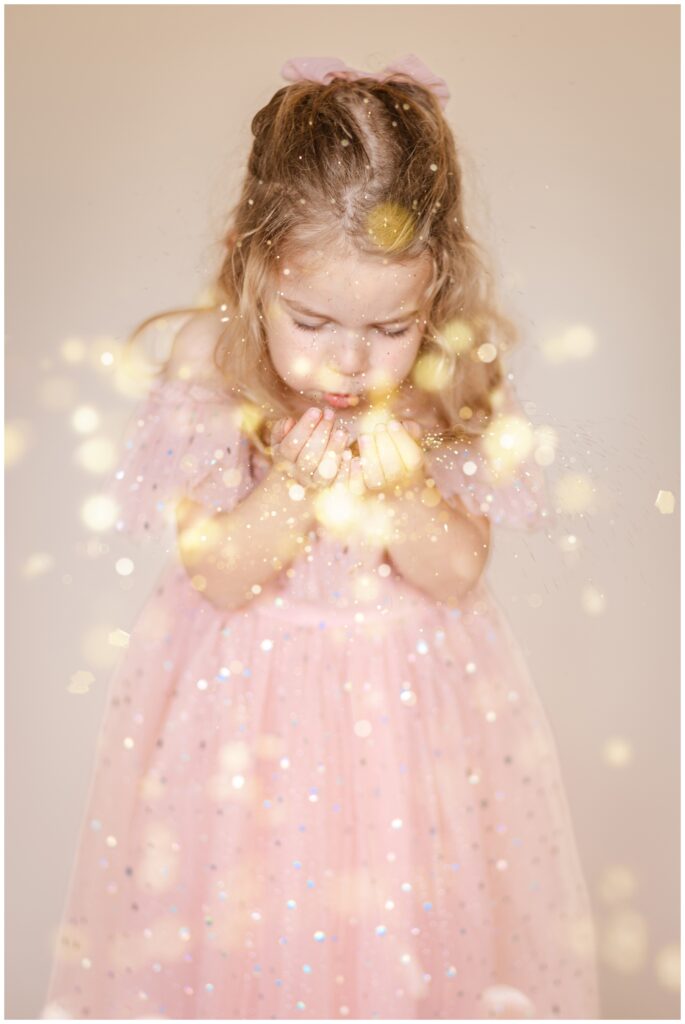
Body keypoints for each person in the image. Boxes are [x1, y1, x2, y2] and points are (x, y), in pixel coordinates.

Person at [41, 54, 600, 1020]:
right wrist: (292, 487)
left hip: (408, 713)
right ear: (255, 270)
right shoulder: (211, 367)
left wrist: (407, 493)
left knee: (406, 935)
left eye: (389, 327)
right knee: (252, 936)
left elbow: (459, 570)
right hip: (245, 718)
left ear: (436, 291)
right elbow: (217, 575)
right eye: (312, 321)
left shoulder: (446, 379)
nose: (349, 360)